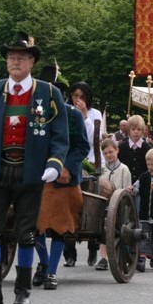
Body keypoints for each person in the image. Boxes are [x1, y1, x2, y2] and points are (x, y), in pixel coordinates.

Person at [0, 32, 69, 304]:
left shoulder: (49, 93)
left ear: (32, 62)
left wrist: (54, 164)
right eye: (11, 57)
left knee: (26, 234)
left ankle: (22, 291)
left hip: (30, 172)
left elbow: (60, 136)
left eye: (21, 57)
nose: (15, 61)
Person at [33, 75, 90, 290]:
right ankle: (45, 262)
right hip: (38, 179)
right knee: (32, 227)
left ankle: (51, 272)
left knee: (58, 227)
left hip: (64, 182)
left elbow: (82, 147)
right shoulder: (37, 115)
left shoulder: (73, 115)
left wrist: (67, 167)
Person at [63, 80, 103, 268]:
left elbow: (90, 138)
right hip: (68, 159)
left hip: (89, 159)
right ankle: (69, 252)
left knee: (90, 201)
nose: (78, 100)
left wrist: (84, 116)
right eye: (75, 96)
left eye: (82, 97)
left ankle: (93, 247)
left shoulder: (95, 115)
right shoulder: (65, 111)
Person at [95, 138, 132, 271]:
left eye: (111, 152)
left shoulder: (124, 169)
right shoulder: (102, 170)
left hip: (118, 206)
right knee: (103, 227)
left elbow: (127, 190)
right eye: (105, 153)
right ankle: (103, 258)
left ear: (117, 150)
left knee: (112, 226)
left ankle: (115, 256)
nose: (108, 155)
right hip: (102, 205)